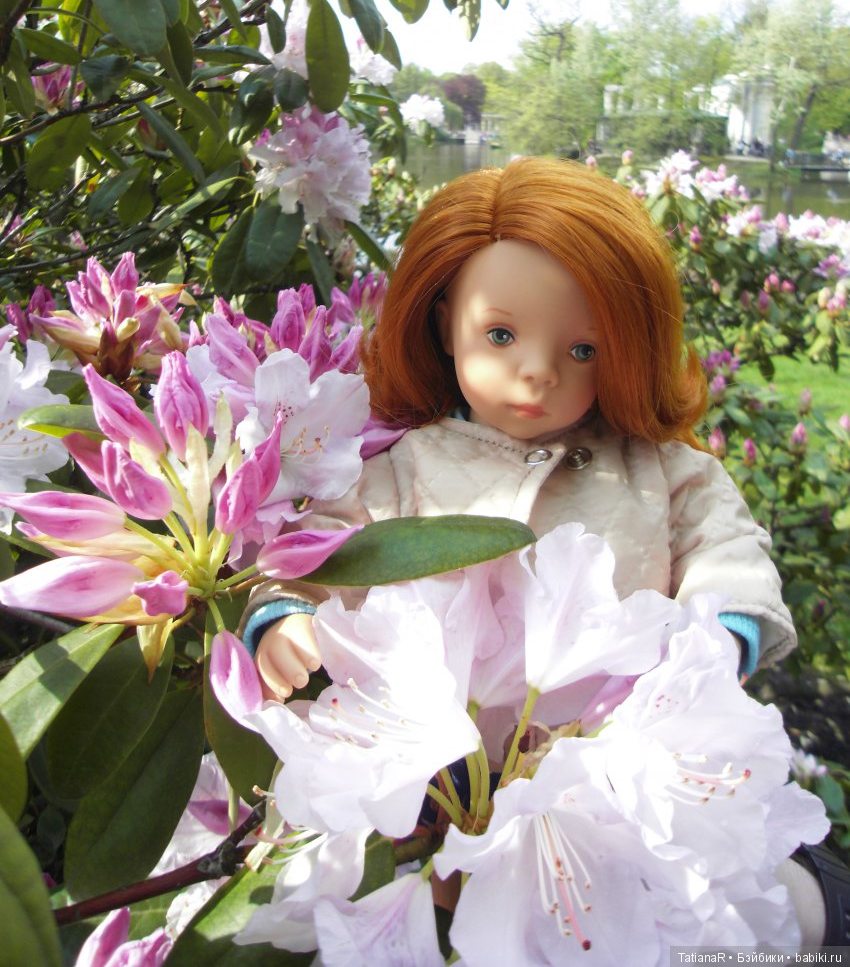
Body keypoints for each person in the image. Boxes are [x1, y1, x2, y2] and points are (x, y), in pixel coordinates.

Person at [240, 156, 846, 945]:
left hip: (620, 784)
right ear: (442, 320)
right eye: (501, 334)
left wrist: (721, 633)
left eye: (583, 351)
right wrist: (284, 613)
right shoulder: (403, 468)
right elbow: (318, 549)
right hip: (434, 794)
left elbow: (726, 546)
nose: (538, 372)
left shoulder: (658, 468)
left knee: (786, 917)